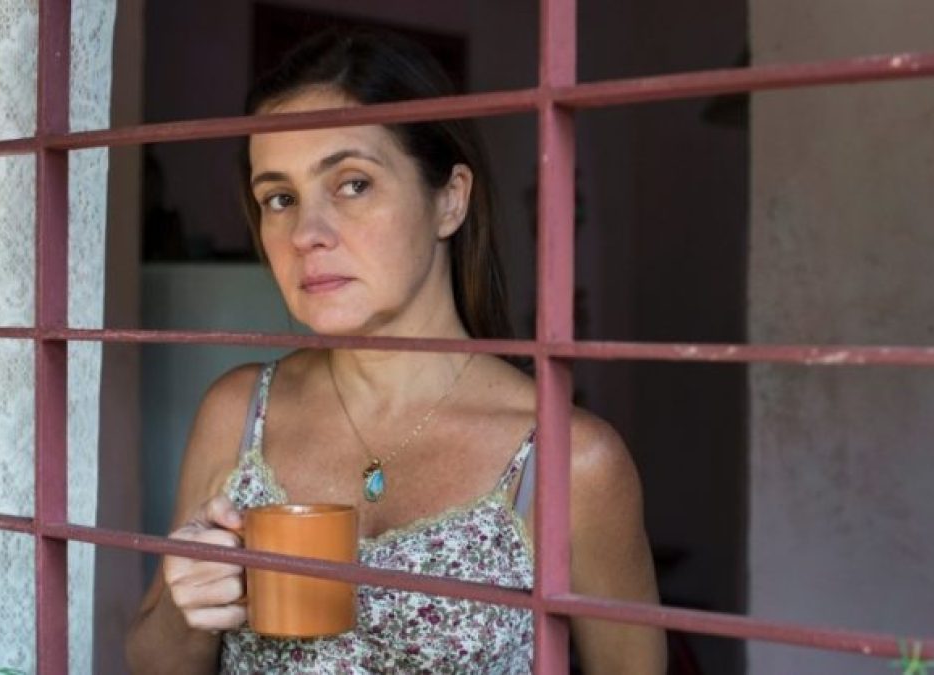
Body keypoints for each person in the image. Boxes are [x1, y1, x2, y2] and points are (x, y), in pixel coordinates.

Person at [125, 28, 665, 674]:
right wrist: (186, 603)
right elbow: (153, 663)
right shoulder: (237, 413)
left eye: (353, 184)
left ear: (450, 200)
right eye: (280, 198)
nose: (306, 233)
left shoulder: (569, 460)